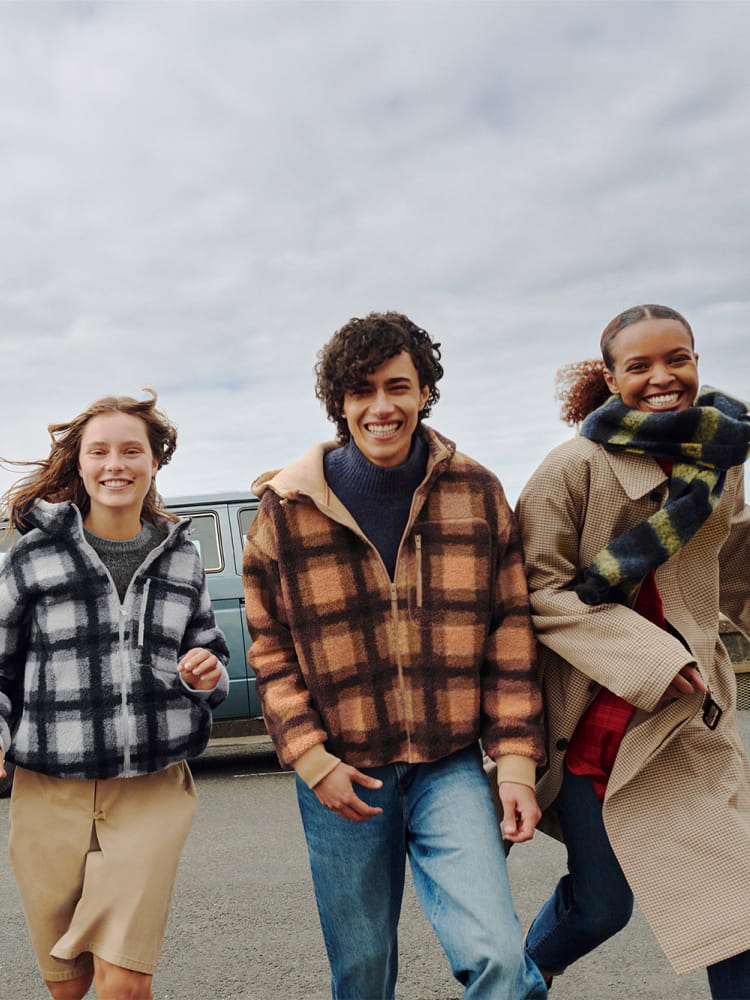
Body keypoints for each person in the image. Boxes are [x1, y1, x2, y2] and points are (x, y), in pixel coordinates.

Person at [242, 311, 548, 1000]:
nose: (382, 407)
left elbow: (510, 630)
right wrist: (314, 761)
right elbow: (271, 649)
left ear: (425, 393)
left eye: (399, 387)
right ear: (340, 403)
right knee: (363, 974)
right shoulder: (287, 509)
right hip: (343, 777)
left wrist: (518, 766)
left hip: (451, 767)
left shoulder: (476, 491)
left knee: (499, 956)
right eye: (362, 391)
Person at [516, 304, 750, 997]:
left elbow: (734, 557)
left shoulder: (719, 457)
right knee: (601, 907)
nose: (662, 377)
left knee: (733, 902)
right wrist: (651, 657)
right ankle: (523, 975)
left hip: (689, 719)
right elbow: (539, 589)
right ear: (611, 375)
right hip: (599, 723)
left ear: (698, 362)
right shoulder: (570, 468)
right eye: (640, 365)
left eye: (677, 358)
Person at [0, 390, 229, 1000]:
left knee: (123, 983)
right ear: (80, 464)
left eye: (132, 450)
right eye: (99, 451)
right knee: (69, 989)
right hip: (49, 791)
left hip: (152, 788)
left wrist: (205, 674)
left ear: (155, 460)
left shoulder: (182, 558)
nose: (115, 464)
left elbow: (208, 652)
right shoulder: (32, 556)